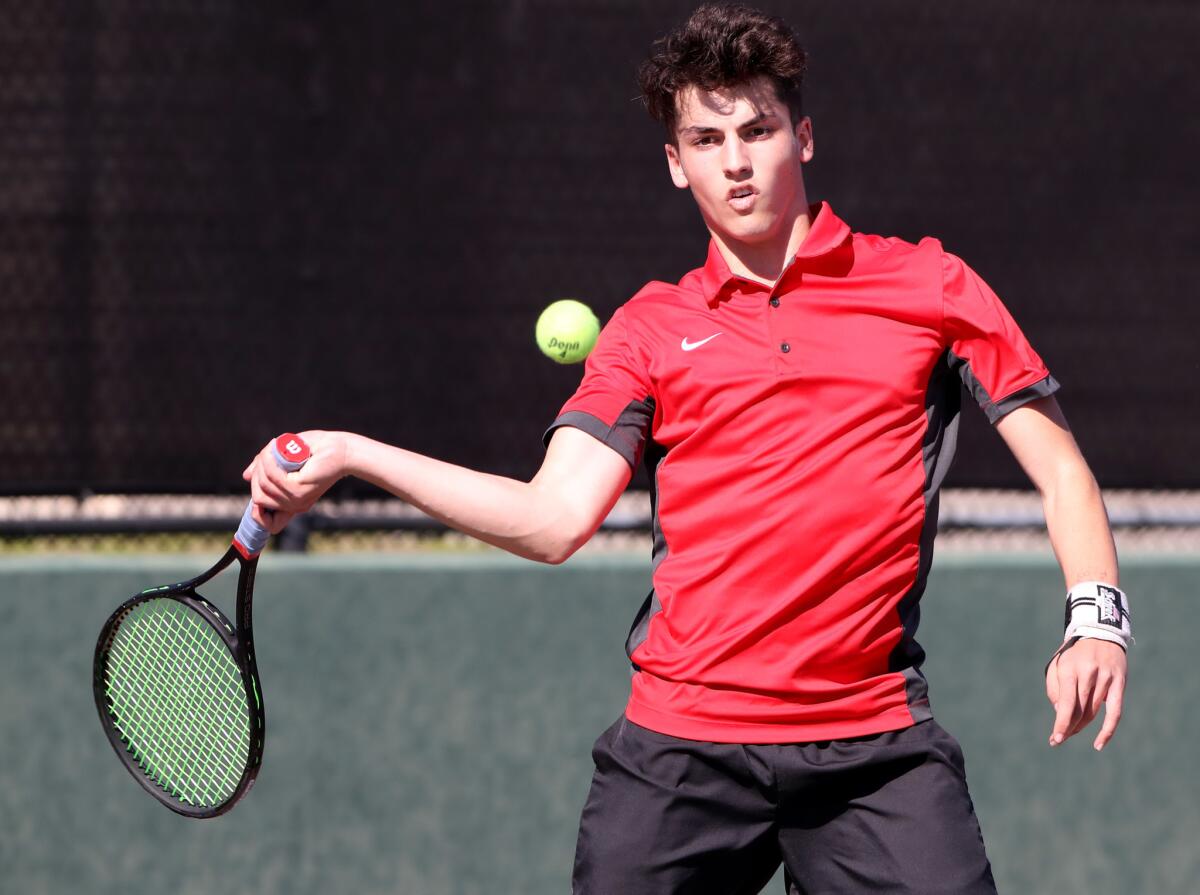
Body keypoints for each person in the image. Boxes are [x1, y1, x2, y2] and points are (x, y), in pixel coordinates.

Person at [243, 5, 1129, 892]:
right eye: (706, 139)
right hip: (681, 751)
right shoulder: (647, 331)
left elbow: (1062, 472)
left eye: (757, 130)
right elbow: (552, 520)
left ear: (804, 137)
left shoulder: (930, 286)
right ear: (676, 163)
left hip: (874, 749)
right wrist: (354, 451)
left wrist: (1095, 620)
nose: (736, 162)